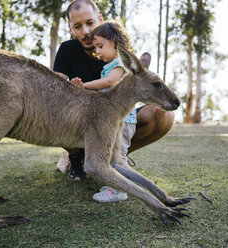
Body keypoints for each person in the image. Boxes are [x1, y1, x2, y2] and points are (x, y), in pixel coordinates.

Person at [53, 0, 175, 187]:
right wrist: (71, 88)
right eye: (77, 26)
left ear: (100, 20)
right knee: (52, 111)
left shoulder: (116, 49)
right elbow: (55, 88)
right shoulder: (67, 50)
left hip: (115, 117)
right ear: (70, 28)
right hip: (84, 118)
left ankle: (115, 161)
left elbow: (139, 82)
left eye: (90, 23)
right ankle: (76, 158)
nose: (85, 31)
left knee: (164, 115)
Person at [69, 20, 134, 202]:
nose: (96, 51)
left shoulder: (121, 62)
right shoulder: (110, 64)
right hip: (112, 120)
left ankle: (119, 190)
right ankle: (113, 185)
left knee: (117, 155)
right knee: (110, 154)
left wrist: (85, 86)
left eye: (100, 46)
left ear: (115, 42)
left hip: (123, 119)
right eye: (95, 47)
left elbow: (109, 83)